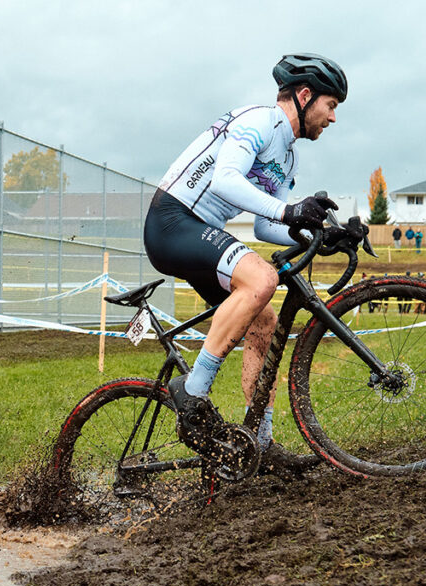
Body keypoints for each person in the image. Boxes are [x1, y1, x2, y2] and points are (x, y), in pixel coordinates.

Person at [143, 53, 347, 469]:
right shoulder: (258, 121)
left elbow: (264, 227)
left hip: (197, 229)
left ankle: (261, 440)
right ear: (305, 96)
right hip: (172, 221)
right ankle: (193, 391)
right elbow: (225, 180)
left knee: (264, 321)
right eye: (331, 106)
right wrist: (290, 211)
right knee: (261, 278)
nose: (332, 118)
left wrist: (320, 231)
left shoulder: (287, 155)